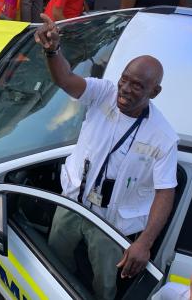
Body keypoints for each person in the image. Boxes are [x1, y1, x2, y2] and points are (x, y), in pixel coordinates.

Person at [35, 15, 178, 299]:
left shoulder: (163, 137)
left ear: (155, 91)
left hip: (111, 226)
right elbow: (65, 79)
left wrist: (144, 243)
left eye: (137, 85)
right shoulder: (104, 93)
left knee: (104, 285)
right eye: (124, 79)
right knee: (53, 263)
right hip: (73, 204)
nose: (125, 89)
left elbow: (165, 191)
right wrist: (52, 50)